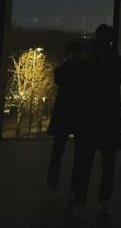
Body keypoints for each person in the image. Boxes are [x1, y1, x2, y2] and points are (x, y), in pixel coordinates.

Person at [70, 25, 121, 217]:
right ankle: (103, 200)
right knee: (107, 165)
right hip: (108, 118)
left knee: (84, 164)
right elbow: (114, 80)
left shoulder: (86, 64)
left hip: (89, 118)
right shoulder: (117, 62)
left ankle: (80, 201)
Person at [46, 40, 83, 190]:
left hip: (63, 113)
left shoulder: (62, 71)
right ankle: (76, 182)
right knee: (78, 151)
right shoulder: (82, 71)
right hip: (78, 113)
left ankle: (53, 178)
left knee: (58, 148)